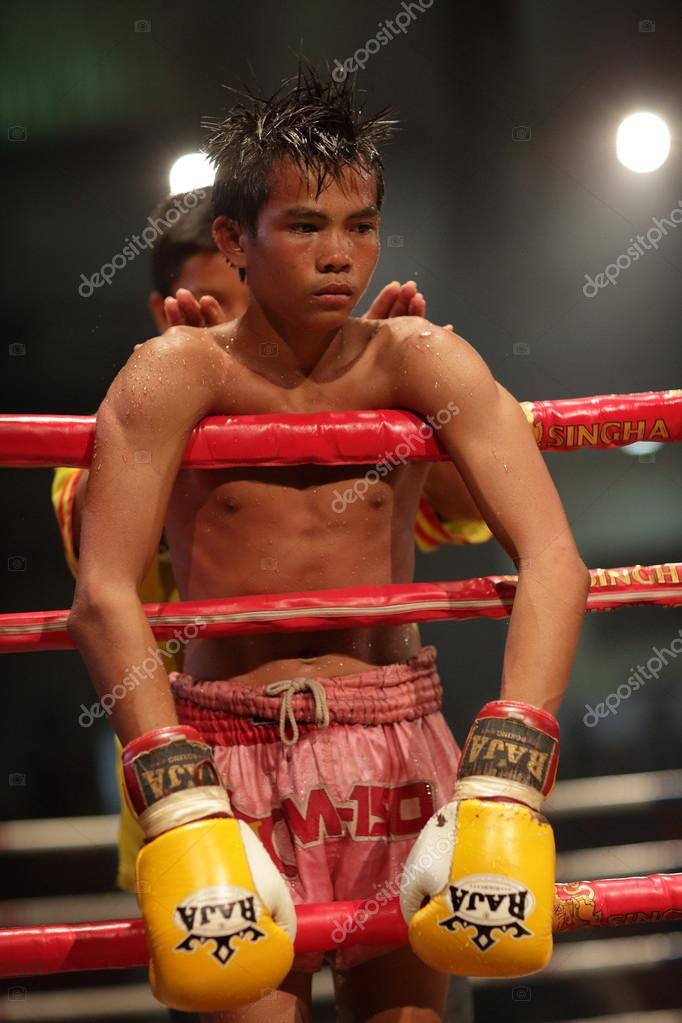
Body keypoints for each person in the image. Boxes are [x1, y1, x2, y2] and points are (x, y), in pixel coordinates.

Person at [66, 64, 590, 1023]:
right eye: (305, 227)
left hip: (399, 745)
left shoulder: (420, 359)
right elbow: (101, 591)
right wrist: (175, 793)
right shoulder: (174, 373)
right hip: (225, 749)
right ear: (236, 239)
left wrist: (511, 764)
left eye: (361, 225)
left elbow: (553, 556)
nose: (340, 256)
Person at [52, 192, 492, 899]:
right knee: (224, 956)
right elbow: (99, 562)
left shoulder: (355, 409)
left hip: (384, 754)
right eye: (220, 308)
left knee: (423, 947)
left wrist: (404, 409)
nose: (245, 327)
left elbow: (470, 511)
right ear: (166, 312)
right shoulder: (125, 418)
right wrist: (189, 413)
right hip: (189, 777)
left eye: (254, 303)